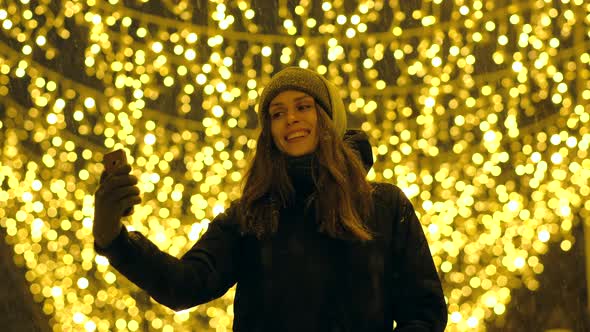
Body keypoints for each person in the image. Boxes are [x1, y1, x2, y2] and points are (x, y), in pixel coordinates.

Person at [93, 67, 448, 331]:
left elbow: (424, 311)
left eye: (302, 107)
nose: (290, 119)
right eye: (277, 113)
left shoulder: (383, 205)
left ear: (327, 117)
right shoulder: (251, 214)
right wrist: (114, 239)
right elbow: (185, 284)